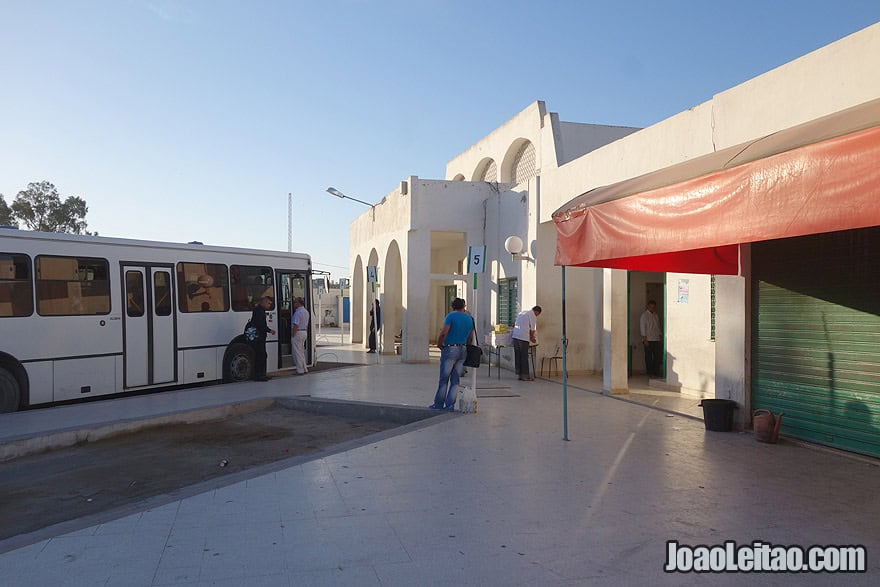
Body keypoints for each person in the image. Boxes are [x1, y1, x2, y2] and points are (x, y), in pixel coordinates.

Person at [429, 297, 475, 411]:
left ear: (453, 307)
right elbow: (470, 337)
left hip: (450, 349)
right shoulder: (470, 319)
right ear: (464, 307)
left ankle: (438, 404)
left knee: (444, 378)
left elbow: (444, 332)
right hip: (463, 350)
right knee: (455, 380)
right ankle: (450, 405)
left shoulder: (451, 316)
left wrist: (440, 344)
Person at [249, 296, 276, 382]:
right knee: (260, 355)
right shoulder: (258, 310)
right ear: (264, 302)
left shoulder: (260, 310)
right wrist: (269, 330)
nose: (269, 306)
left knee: (262, 355)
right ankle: (259, 375)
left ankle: (262, 374)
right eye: (268, 303)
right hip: (259, 337)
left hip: (260, 336)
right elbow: (260, 324)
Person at [511, 305, 542, 381]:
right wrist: (533, 339)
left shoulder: (522, 313)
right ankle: (525, 376)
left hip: (515, 336)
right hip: (523, 338)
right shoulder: (532, 315)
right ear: (537, 312)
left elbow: (514, 325)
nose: (537, 316)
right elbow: (532, 330)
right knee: (524, 356)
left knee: (518, 355)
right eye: (538, 314)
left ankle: (520, 375)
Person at [640, 299, 663, 377]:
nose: (652, 308)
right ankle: (650, 372)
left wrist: (660, 336)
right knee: (648, 357)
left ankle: (656, 371)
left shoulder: (656, 315)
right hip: (648, 339)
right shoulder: (644, 316)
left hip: (656, 338)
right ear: (648, 306)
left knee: (657, 356)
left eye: (653, 307)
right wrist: (644, 339)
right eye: (650, 307)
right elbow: (642, 327)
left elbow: (658, 326)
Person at [291, 296, 310, 375]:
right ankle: (304, 368)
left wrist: (293, 334)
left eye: (295, 302)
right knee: (301, 351)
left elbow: (296, 325)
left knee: (297, 352)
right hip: (304, 332)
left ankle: (299, 370)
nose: (294, 304)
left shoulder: (298, 312)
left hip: (298, 332)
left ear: (298, 303)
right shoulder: (306, 311)